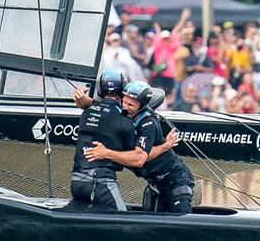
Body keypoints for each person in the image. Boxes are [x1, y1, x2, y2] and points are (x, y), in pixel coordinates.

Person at [85, 81, 193, 213]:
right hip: (156, 182)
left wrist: (105, 153)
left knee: (180, 223)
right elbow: (97, 107)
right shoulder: (123, 111)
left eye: (131, 105)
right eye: (124, 102)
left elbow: (139, 159)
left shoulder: (148, 122)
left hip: (176, 179)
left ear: (141, 105)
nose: (125, 107)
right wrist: (81, 100)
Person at [70, 70, 136, 210]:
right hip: (101, 183)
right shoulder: (125, 120)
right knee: (124, 221)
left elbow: (86, 103)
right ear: (122, 91)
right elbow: (133, 158)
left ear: (100, 90)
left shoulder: (87, 109)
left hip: (76, 182)